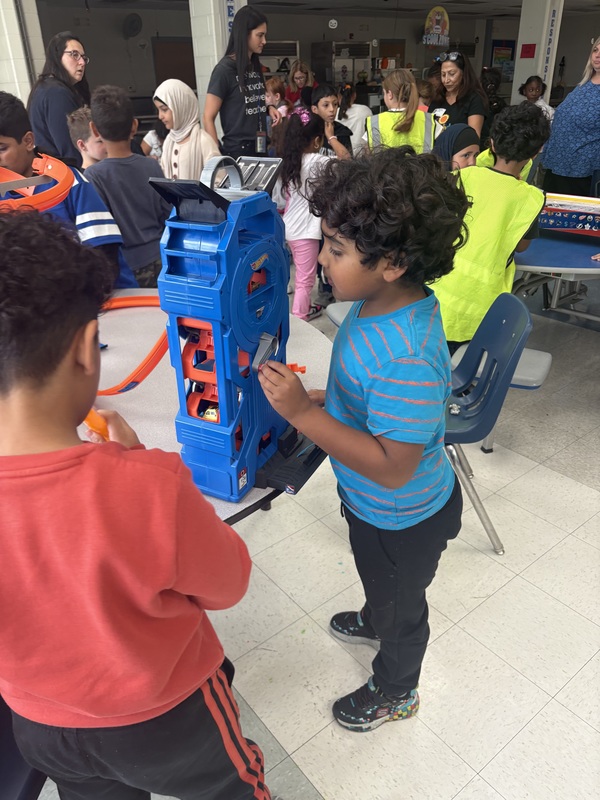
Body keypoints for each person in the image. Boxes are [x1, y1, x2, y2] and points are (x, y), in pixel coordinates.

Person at [0, 209, 272, 800]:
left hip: (40, 726)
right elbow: (228, 585)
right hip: (167, 721)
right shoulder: (148, 485)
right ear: (83, 349)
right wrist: (145, 463)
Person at [258, 146, 468, 733]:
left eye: (337, 249)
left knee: (404, 610)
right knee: (380, 584)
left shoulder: (407, 356)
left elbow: (394, 465)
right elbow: (370, 404)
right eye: (325, 242)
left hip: (402, 514)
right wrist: (330, 403)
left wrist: (304, 415)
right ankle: (378, 612)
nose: (322, 259)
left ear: (393, 262)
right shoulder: (375, 304)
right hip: (372, 506)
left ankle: (397, 689)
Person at [432, 102, 550, 352]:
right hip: (479, 311)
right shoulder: (529, 198)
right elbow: (521, 245)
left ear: (492, 144)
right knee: (460, 369)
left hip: (434, 298)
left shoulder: (462, 177)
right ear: (537, 151)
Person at [0, 90, 136, 289]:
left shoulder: (67, 181)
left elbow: (105, 257)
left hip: (101, 301)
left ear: (28, 141)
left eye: (1, 148)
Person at [86, 85, 172, 288]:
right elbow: (168, 214)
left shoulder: (94, 176)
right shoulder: (151, 165)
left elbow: (101, 234)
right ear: (134, 126)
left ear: (94, 130)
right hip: (160, 260)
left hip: (125, 268)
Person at [273, 111, 330, 321]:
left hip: (286, 227)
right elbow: (347, 162)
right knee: (304, 281)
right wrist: (332, 137)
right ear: (317, 140)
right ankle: (299, 318)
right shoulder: (318, 161)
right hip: (305, 232)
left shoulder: (288, 161)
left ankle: (287, 314)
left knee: (287, 277)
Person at [203, 6, 281, 159]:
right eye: (260, 35)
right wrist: (216, 155)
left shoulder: (254, 65)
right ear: (245, 35)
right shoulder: (224, 70)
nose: (264, 41)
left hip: (260, 143)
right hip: (238, 149)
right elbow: (207, 117)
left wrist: (268, 107)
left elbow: (248, 101)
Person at [542, 37, 600, 197]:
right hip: (557, 162)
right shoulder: (582, 86)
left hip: (582, 170)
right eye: (595, 50)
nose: (597, 55)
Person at [27, 30, 91, 167]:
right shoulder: (56, 93)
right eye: (74, 55)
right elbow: (70, 148)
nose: (82, 62)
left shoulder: (47, 87)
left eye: (83, 57)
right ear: (57, 56)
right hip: (66, 176)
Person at [153, 79, 220, 180]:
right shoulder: (169, 142)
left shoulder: (203, 141)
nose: (160, 116)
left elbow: (218, 181)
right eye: (158, 110)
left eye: (164, 109)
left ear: (180, 106)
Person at [365, 69, 437, 153]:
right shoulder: (429, 121)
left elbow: (367, 157)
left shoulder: (374, 122)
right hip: (422, 166)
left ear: (390, 94)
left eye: (384, 93)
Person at [428, 52, 487, 138]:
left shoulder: (474, 99)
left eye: (452, 74)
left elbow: (473, 138)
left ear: (463, 74)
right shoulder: (438, 98)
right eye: (443, 75)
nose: (446, 80)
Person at [310, 83, 352, 159]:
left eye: (335, 104)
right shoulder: (309, 131)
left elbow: (348, 162)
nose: (332, 109)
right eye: (326, 105)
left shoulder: (342, 131)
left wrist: (331, 137)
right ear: (314, 109)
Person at [66, 105, 107, 170]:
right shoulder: (83, 179)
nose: (108, 144)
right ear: (82, 145)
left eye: (108, 138)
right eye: (100, 141)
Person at [336, 82, 372, 155]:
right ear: (354, 95)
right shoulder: (365, 110)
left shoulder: (333, 113)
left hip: (341, 155)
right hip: (360, 157)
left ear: (338, 97)